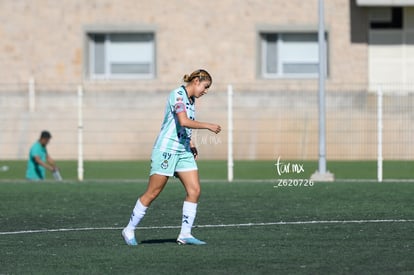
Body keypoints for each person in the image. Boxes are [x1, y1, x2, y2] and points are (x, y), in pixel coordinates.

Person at [122, 69, 221, 246]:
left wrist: (190, 142)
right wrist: (208, 125)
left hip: (183, 151)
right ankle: (129, 229)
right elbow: (182, 121)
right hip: (166, 150)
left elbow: (184, 127)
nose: (205, 91)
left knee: (194, 191)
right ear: (197, 81)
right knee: (153, 192)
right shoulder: (178, 95)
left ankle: (185, 234)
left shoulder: (191, 100)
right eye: (205, 87)